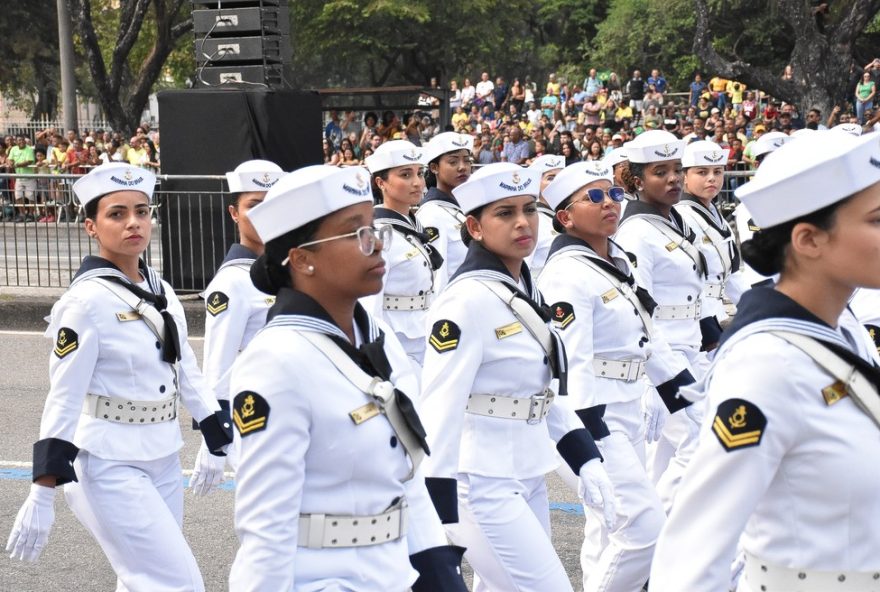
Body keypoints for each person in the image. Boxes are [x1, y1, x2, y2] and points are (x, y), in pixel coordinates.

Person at [650, 130, 880, 592]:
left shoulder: (844, 330)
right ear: (809, 240)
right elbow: (693, 555)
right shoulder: (768, 364)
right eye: (876, 219)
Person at [228, 165, 467, 591]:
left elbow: (407, 473)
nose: (376, 245)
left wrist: (440, 572)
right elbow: (265, 528)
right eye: (355, 233)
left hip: (392, 571)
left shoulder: (375, 338)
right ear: (302, 259)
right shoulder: (276, 361)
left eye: (374, 230)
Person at [5, 163, 232, 590]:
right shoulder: (85, 302)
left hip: (163, 453)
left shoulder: (161, 290)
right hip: (108, 462)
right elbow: (64, 397)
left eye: (142, 211)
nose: (134, 223)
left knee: (139, 582)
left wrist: (217, 436)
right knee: (177, 583)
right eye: (117, 214)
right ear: (91, 226)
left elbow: (186, 370)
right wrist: (43, 488)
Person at [420, 162, 617, 592]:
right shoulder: (466, 300)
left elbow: (547, 389)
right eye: (505, 213)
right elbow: (437, 408)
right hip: (479, 481)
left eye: (529, 208)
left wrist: (585, 459)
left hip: (527, 471)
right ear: (474, 227)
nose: (523, 222)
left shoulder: (526, 287)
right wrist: (434, 512)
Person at [539, 160, 699, 592]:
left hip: (627, 402)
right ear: (565, 217)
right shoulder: (567, 273)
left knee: (607, 525)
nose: (609, 202)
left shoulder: (616, 259)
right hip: (596, 416)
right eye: (594, 197)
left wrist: (689, 398)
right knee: (643, 528)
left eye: (612, 193)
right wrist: (589, 439)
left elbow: (650, 337)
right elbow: (569, 366)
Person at [613, 130, 706, 512]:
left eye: (676, 170)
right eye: (660, 171)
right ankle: (662, 533)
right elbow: (639, 311)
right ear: (637, 180)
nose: (673, 179)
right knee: (700, 443)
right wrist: (655, 379)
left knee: (665, 458)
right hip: (665, 354)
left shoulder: (676, 219)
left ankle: (656, 543)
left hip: (691, 345)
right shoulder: (636, 231)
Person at [194, 160, 284, 480]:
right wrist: (214, 439)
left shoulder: (290, 269)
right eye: (253, 206)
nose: (264, 215)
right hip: (253, 413)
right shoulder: (232, 282)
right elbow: (218, 364)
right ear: (235, 213)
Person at [364, 140, 443, 367]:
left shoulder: (413, 225)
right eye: (406, 175)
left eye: (420, 173)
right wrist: (377, 356)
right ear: (381, 183)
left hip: (425, 337)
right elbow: (371, 305)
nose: (418, 183)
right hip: (398, 346)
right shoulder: (378, 233)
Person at [676, 140, 749, 351]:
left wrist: (755, 306)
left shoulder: (717, 216)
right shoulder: (681, 216)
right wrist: (710, 330)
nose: (712, 178)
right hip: (695, 320)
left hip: (718, 311)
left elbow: (732, 274)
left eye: (718, 171)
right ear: (684, 177)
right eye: (702, 172)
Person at [416, 132, 474, 291]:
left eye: (467, 160)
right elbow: (436, 276)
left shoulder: (463, 208)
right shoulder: (432, 214)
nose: (462, 167)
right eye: (453, 161)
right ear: (434, 168)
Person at [527, 154, 565, 276]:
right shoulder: (531, 220)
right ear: (536, 184)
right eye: (550, 178)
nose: (557, 182)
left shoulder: (570, 215)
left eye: (561, 177)